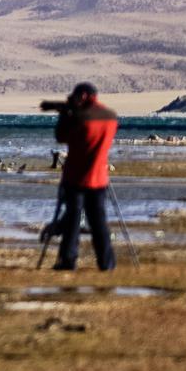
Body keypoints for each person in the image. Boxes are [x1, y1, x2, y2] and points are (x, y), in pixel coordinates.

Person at [44, 82, 117, 271]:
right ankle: (106, 263)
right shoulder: (110, 116)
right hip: (99, 177)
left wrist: (64, 115)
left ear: (83, 96)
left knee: (72, 221)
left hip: (76, 177)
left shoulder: (80, 118)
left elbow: (61, 136)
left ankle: (68, 261)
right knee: (99, 222)